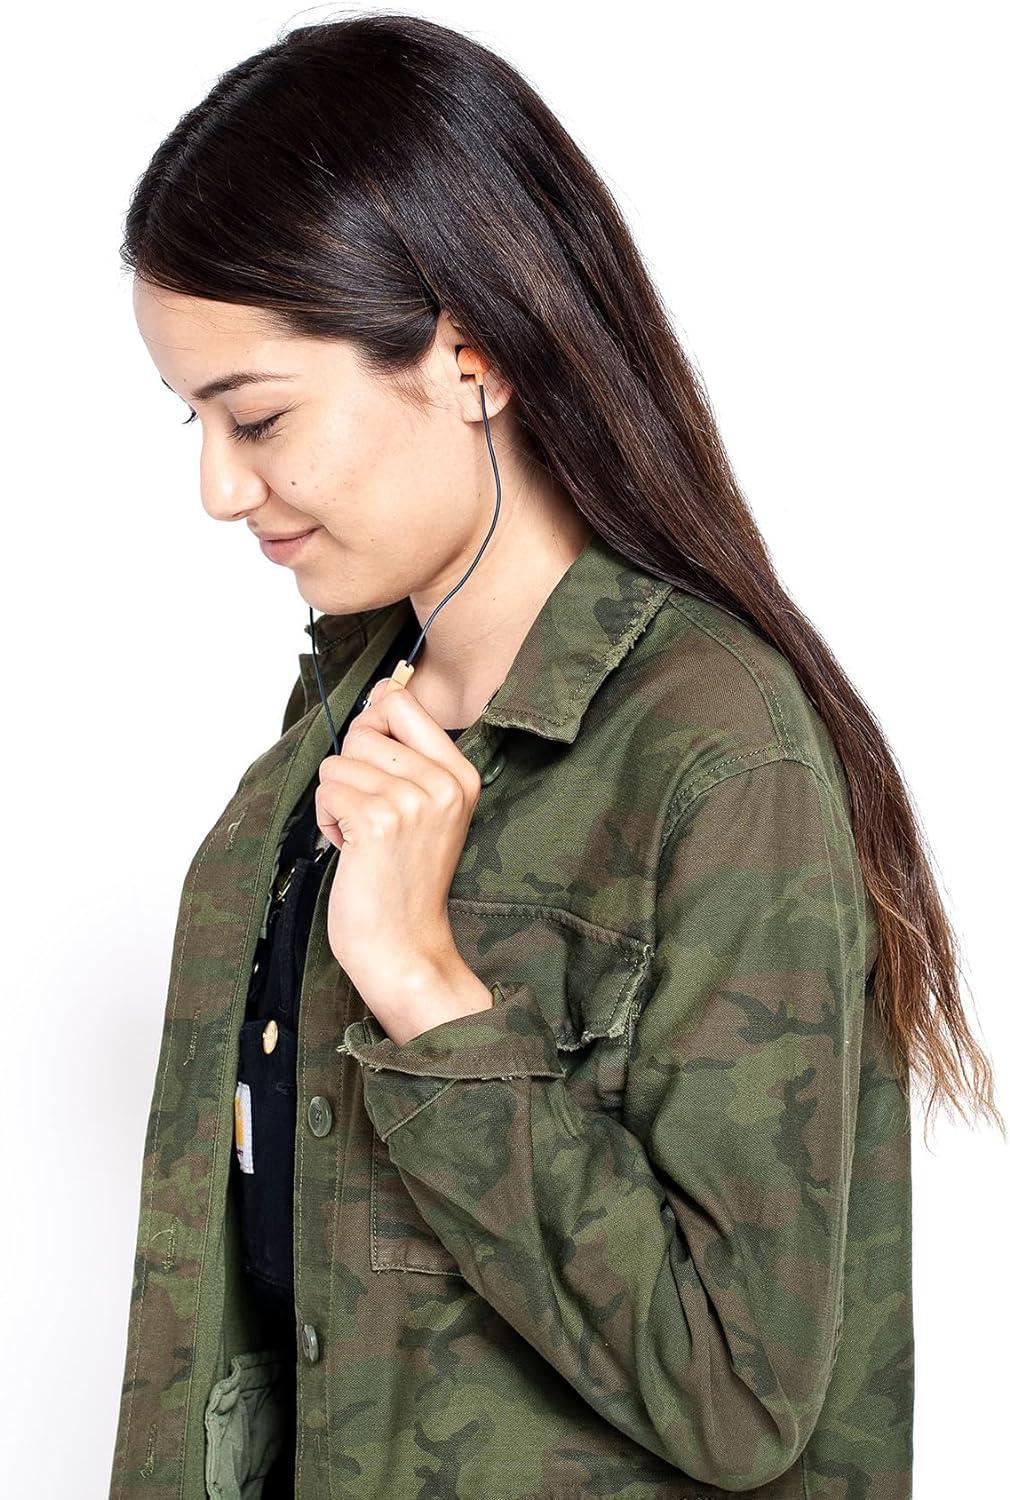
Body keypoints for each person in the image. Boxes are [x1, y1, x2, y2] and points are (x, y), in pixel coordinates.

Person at [108, 15, 1002, 1500]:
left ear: (469, 356)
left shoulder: (717, 754)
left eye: (255, 416)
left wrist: (427, 993)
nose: (216, 486)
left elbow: (740, 1397)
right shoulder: (333, 730)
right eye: (191, 419)